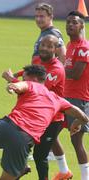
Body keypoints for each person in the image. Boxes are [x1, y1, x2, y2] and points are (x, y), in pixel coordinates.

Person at [3, 35, 71, 180]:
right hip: (37, 116)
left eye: (49, 46)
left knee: (40, 155)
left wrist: (13, 80)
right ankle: (22, 168)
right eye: (42, 45)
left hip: (53, 119)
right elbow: (30, 72)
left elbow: (40, 90)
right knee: (20, 143)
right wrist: (18, 74)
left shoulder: (57, 69)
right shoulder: (37, 60)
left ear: (56, 50)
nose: (44, 48)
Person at [54, 11, 89, 180]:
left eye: (74, 22)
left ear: (82, 25)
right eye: (68, 22)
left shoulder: (83, 47)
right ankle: (64, 171)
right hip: (63, 97)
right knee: (49, 131)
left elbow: (76, 74)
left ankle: (85, 177)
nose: (70, 25)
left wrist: (58, 69)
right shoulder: (70, 45)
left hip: (78, 98)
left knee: (76, 141)